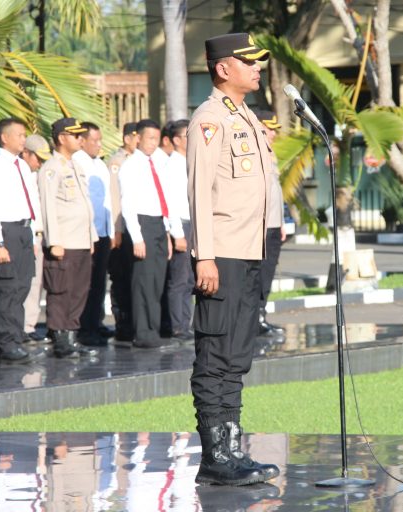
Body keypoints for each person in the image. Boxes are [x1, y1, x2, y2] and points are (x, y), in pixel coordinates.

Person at [187, 33, 279, 485]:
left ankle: (233, 449)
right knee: (215, 354)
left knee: (237, 356)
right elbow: (199, 191)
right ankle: (215, 457)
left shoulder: (246, 116)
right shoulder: (209, 119)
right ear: (224, 69)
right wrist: (204, 256)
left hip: (248, 252)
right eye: (249, 62)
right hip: (221, 254)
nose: (258, 68)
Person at [119, 119, 184, 349]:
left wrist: (168, 232)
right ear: (137, 138)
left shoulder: (157, 163)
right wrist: (137, 238)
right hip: (142, 224)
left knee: (157, 281)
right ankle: (144, 333)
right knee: (144, 282)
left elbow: (165, 200)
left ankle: (154, 330)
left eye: (156, 139)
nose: (153, 143)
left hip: (158, 224)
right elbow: (128, 205)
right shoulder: (130, 166)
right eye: (149, 138)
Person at [38, 118, 98, 358]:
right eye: (76, 135)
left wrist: (91, 238)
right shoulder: (51, 168)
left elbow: (85, 204)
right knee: (61, 290)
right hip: (64, 240)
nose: (80, 139)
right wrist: (54, 241)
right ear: (62, 138)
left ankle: (72, 334)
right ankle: (60, 338)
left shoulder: (75, 165)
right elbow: (48, 206)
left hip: (80, 239)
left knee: (79, 290)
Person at [0, 118, 39, 363]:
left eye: (24, 135)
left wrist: (33, 233)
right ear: (4, 138)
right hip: (7, 231)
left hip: (24, 230)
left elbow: (30, 201)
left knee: (22, 287)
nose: (23, 139)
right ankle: (7, 343)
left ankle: (15, 338)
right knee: (7, 288)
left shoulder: (22, 166)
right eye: (19, 135)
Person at [74, 122, 114, 346]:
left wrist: (111, 231)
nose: (99, 145)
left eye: (100, 140)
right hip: (85, 233)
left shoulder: (99, 164)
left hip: (103, 231)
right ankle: (84, 329)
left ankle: (95, 323)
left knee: (99, 282)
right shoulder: (77, 162)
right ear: (82, 141)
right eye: (94, 140)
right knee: (85, 283)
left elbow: (107, 200)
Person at [254, 111, 286, 337]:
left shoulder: (270, 153)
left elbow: (276, 192)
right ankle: (253, 319)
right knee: (257, 274)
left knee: (267, 273)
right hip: (259, 226)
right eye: (269, 129)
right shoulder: (253, 153)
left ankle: (260, 315)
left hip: (273, 224)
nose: (273, 134)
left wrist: (281, 222)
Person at [107, 122, 138, 341]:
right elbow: (114, 198)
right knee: (121, 279)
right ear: (127, 139)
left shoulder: (140, 160)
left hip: (137, 228)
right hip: (123, 228)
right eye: (137, 137)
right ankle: (122, 324)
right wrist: (117, 230)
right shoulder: (117, 162)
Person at [163, 119, 194, 342]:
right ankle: (177, 326)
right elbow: (171, 202)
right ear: (176, 140)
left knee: (190, 279)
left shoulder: (189, 162)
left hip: (193, 223)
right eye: (187, 136)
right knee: (179, 279)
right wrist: (177, 233)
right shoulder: (172, 165)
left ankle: (186, 323)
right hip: (181, 224)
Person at [21, 134, 51, 344]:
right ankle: (24, 327)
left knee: (37, 284)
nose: (40, 163)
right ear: (26, 153)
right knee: (28, 284)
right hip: (28, 235)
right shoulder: (19, 174)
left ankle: (30, 325)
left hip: (42, 235)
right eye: (37, 158)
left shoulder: (38, 175)